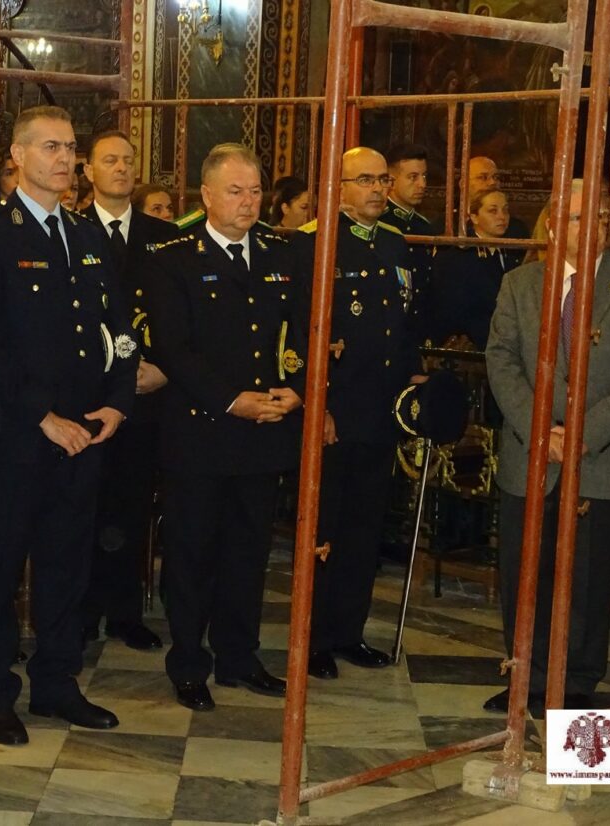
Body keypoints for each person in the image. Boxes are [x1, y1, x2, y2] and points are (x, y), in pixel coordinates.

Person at [0, 105, 137, 746]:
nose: (64, 159)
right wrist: (41, 416)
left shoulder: (86, 235)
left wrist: (118, 400)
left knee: (67, 567)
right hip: (14, 438)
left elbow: (119, 327)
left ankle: (58, 682)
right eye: (50, 147)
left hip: (84, 433)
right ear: (18, 156)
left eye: (69, 148)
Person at [483, 180, 610, 714]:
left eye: (602, 216)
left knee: (586, 579)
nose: (595, 226)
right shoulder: (521, 285)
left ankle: (578, 681)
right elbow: (501, 360)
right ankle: (526, 677)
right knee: (523, 574)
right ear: (555, 223)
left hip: (600, 457)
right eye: (582, 217)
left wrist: (583, 435)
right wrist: (543, 431)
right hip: (530, 453)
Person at [146, 143, 305, 712]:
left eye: (255, 191)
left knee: (248, 552)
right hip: (201, 433)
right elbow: (174, 348)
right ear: (207, 196)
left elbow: (305, 331)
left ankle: (239, 656)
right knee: (191, 554)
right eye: (235, 191)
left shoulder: (282, 254)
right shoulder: (173, 258)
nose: (248, 202)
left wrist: (297, 388)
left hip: (264, 432)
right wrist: (232, 400)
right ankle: (189, 663)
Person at [298, 147, 421, 681]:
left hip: (379, 408)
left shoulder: (394, 242)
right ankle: (314, 636)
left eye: (382, 180)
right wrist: (318, 403)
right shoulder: (314, 242)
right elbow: (301, 334)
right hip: (335, 408)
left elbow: (403, 322)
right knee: (325, 525)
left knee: (364, 527)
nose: (376, 189)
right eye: (364, 179)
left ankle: (349, 630)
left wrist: (413, 377)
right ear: (339, 186)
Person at [79, 130, 179, 651]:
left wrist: (165, 368)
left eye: (127, 160)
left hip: (146, 394)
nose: (120, 168)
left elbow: (179, 316)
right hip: (87, 395)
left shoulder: (163, 236)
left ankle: (125, 611)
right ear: (88, 171)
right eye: (109, 160)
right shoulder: (70, 229)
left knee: (132, 506)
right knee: (82, 508)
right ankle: (81, 611)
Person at [431, 188, 524, 350]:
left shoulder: (511, 251)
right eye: (493, 211)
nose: (502, 217)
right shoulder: (458, 254)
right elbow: (453, 308)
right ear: (474, 217)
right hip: (472, 345)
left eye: (505, 210)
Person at [382, 143, 438, 343]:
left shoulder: (424, 226)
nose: (422, 184)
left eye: (424, 176)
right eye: (413, 177)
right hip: (386, 325)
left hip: (418, 327)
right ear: (391, 180)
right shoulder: (381, 222)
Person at [467, 156, 528, 238]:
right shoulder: (450, 226)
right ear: (463, 183)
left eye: (496, 177)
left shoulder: (516, 230)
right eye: (483, 177)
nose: (492, 182)